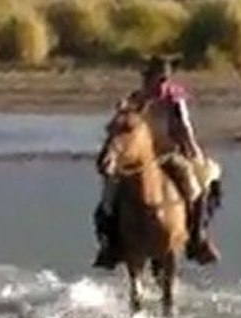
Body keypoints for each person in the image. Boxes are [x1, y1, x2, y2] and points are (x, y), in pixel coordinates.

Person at [93, 55, 220, 269]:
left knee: (196, 188)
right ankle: (110, 245)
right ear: (148, 78)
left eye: (164, 79)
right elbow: (123, 130)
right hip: (136, 161)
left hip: (169, 155)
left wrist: (192, 149)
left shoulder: (174, 100)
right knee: (108, 198)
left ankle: (197, 238)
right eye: (157, 78)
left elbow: (184, 127)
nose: (161, 83)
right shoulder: (135, 100)